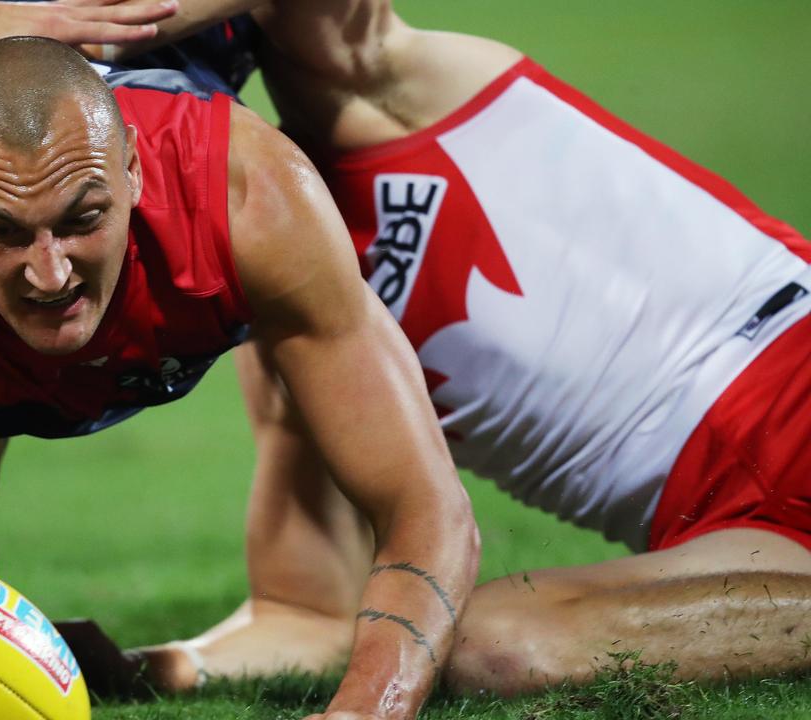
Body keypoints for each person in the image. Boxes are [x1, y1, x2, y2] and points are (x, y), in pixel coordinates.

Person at [0, 36, 477, 720]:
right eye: (4, 230)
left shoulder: (250, 197)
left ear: (132, 170)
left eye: (82, 218)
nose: (50, 273)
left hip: (111, 101)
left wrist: (368, 707)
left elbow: (428, 510)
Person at [96, 0, 811, 698]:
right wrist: (128, 670)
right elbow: (305, 615)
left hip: (794, 360)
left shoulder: (377, 87)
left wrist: (42, 25)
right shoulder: (274, 284)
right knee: (487, 642)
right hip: (755, 539)